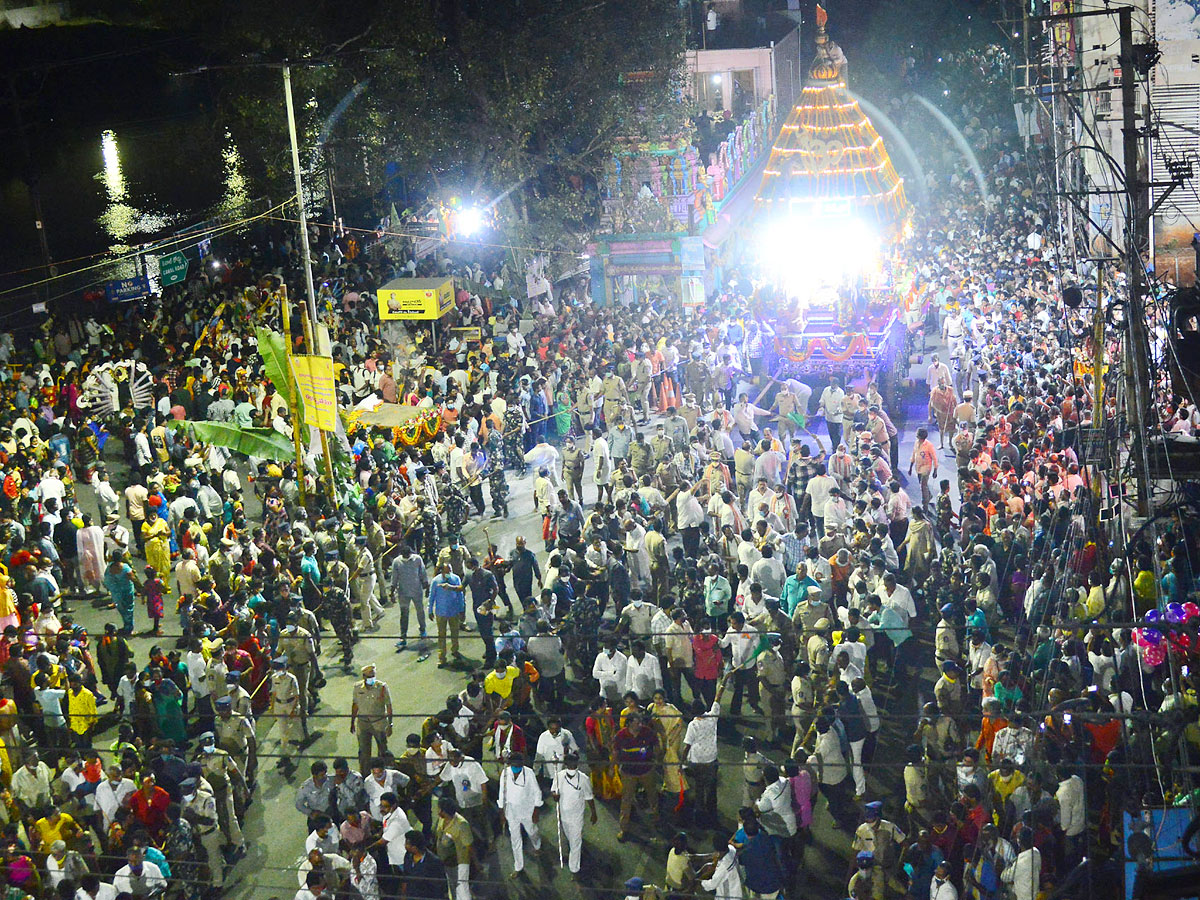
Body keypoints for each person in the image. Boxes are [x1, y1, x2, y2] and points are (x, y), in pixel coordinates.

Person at [551, 750, 596, 875]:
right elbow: (553, 790)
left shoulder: (583, 779)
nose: (571, 766)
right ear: (565, 764)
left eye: (573, 763)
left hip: (577, 816)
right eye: (569, 763)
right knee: (570, 837)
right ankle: (575, 851)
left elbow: (589, 797)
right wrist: (555, 795)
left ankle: (574, 869)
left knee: (576, 843)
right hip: (563, 815)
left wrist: (594, 813)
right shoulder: (559, 775)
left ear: (577, 764)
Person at [497, 752, 542, 877]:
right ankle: (518, 866)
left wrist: (536, 810)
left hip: (527, 810)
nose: (516, 766)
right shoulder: (505, 773)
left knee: (532, 831)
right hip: (511, 811)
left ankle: (537, 845)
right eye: (513, 764)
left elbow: (537, 792)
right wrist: (501, 810)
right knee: (515, 838)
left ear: (522, 764)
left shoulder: (529, 773)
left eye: (518, 764)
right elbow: (502, 792)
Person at [350, 663, 394, 775]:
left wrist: (390, 724)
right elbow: (355, 705)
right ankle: (365, 775)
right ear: (363, 677)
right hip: (363, 723)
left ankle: (382, 773)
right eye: (369, 676)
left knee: (382, 750)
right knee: (364, 753)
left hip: (378, 723)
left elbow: (388, 706)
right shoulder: (357, 688)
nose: (372, 679)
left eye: (373, 676)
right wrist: (352, 722)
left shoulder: (382, 687)